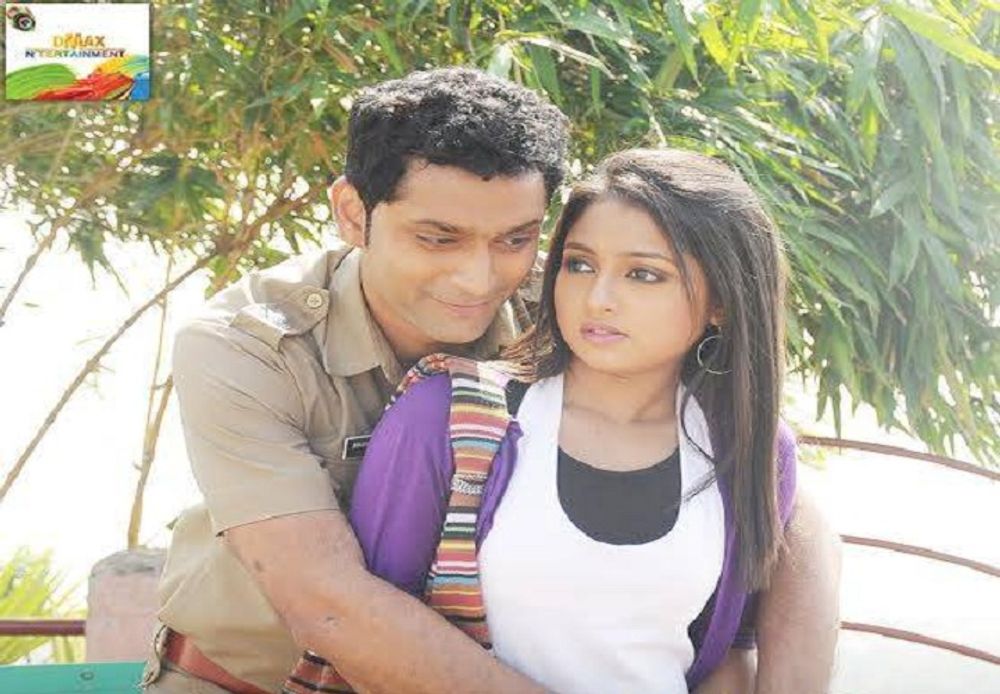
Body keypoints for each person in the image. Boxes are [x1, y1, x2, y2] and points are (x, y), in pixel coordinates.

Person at [143, 68, 840, 694]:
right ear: (354, 213)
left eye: (515, 239)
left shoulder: (576, 302)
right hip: (243, 680)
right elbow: (330, 605)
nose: (479, 279)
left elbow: (767, 486)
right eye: (438, 238)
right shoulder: (245, 347)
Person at [284, 148, 839, 693]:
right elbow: (368, 639)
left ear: (722, 302)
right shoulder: (448, 415)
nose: (598, 298)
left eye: (644, 275)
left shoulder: (748, 448)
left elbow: (726, 649)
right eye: (579, 264)